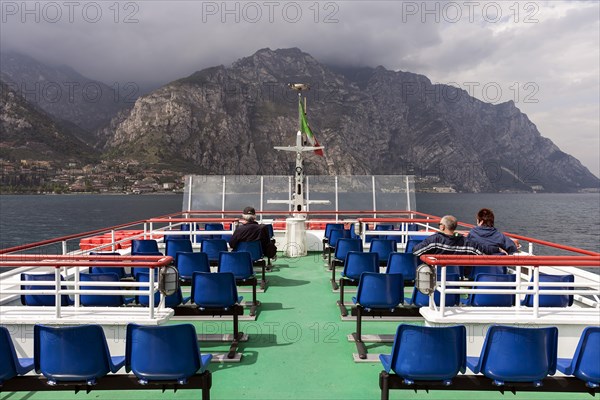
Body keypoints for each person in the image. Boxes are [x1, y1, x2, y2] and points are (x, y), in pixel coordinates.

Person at [412, 215, 499, 256]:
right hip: (457, 279)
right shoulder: (466, 242)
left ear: (442, 227)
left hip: (437, 278)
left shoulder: (434, 240)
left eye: (439, 224)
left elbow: (416, 251)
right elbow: (483, 250)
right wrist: (498, 249)